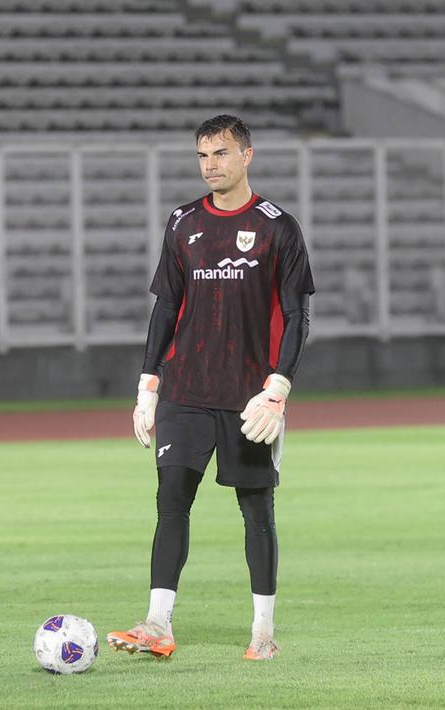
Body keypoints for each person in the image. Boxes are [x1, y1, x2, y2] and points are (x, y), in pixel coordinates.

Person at [106, 115, 315, 661]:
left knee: (257, 510)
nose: (209, 166)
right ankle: (157, 625)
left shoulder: (277, 228)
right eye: (202, 156)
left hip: (249, 398)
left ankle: (263, 635)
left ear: (248, 155)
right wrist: (148, 385)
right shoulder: (181, 223)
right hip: (185, 391)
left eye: (220, 154)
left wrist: (278, 388)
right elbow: (166, 307)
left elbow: (297, 315)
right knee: (170, 503)